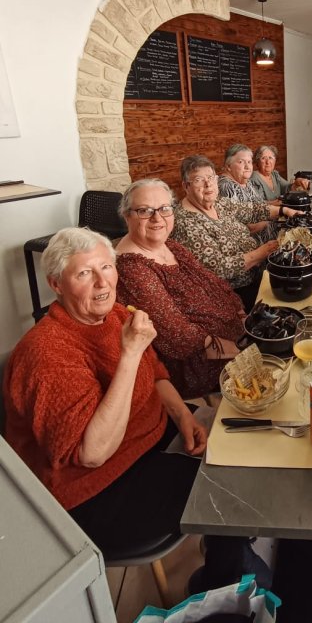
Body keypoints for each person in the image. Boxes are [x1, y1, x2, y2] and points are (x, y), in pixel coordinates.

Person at [2, 226, 266, 584]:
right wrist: (129, 353)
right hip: (96, 486)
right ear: (56, 285)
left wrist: (180, 416)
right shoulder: (47, 352)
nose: (102, 283)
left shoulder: (114, 315)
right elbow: (92, 453)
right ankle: (223, 580)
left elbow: (155, 372)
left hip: (149, 434)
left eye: (106, 268)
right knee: (227, 488)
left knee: (245, 445)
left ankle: (226, 547)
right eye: (83, 273)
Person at [115, 178, 245, 399]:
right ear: (127, 216)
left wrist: (243, 316)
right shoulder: (132, 268)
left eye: (165, 208)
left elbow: (214, 282)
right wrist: (244, 353)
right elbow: (179, 335)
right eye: (145, 210)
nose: (157, 218)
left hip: (237, 338)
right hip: (204, 368)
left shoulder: (170, 245)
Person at [172, 155, 302, 311]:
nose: (208, 184)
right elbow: (218, 269)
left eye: (211, 178)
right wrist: (262, 252)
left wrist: (284, 210)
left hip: (257, 275)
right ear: (186, 186)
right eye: (199, 180)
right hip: (234, 296)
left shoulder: (218, 202)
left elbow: (252, 210)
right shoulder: (185, 223)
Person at [218, 143, 272, 242]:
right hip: (246, 243)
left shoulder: (246, 182)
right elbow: (241, 226)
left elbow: (260, 206)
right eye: (241, 162)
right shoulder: (226, 186)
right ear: (228, 166)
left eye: (249, 162)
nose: (247, 167)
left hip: (263, 238)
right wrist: (270, 222)